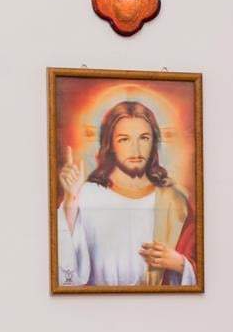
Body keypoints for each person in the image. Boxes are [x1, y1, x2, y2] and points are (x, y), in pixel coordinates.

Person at [57, 101, 196, 288]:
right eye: (124, 139)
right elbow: (64, 266)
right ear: (110, 144)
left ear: (154, 142)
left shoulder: (175, 200)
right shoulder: (87, 195)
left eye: (144, 138)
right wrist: (70, 199)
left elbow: (200, 268)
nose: (136, 150)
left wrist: (180, 264)